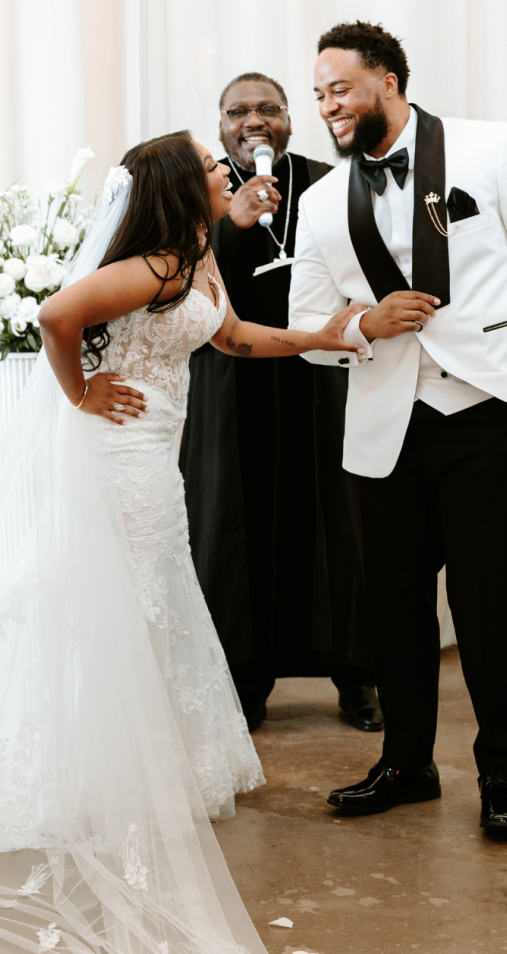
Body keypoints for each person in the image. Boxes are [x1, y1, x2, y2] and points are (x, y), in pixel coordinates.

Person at [0, 130, 363, 954]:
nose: (224, 171)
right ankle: (95, 767)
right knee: (117, 600)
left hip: (154, 453)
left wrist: (321, 336)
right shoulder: (157, 263)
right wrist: (80, 392)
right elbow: (56, 314)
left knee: (151, 595)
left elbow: (232, 337)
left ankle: (148, 756)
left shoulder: (199, 255)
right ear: (177, 184)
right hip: (119, 449)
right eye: (209, 165)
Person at [290, 21, 507, 830]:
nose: (327, 107)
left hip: (488, 410)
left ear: (386, 80)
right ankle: (406, 764)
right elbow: (307, 325)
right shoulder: (319, 201)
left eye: (339, 88)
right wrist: (364, 325)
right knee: (392, 605)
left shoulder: (491, 149)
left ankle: (502, 777)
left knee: (491, 603)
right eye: (318, 95)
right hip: (382, 428)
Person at [180, 72, 380, 733]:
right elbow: (176, 280)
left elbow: (367, 266)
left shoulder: (332, 181)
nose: (253, 120)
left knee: (337, 524)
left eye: (268, 108)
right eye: (237, 110)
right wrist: (230, 224)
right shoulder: (197, 194)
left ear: (291, 120)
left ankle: (355, 674)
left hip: (317, 373)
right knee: (233, 530)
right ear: (219, 127)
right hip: (228, 380)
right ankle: (244, 677)